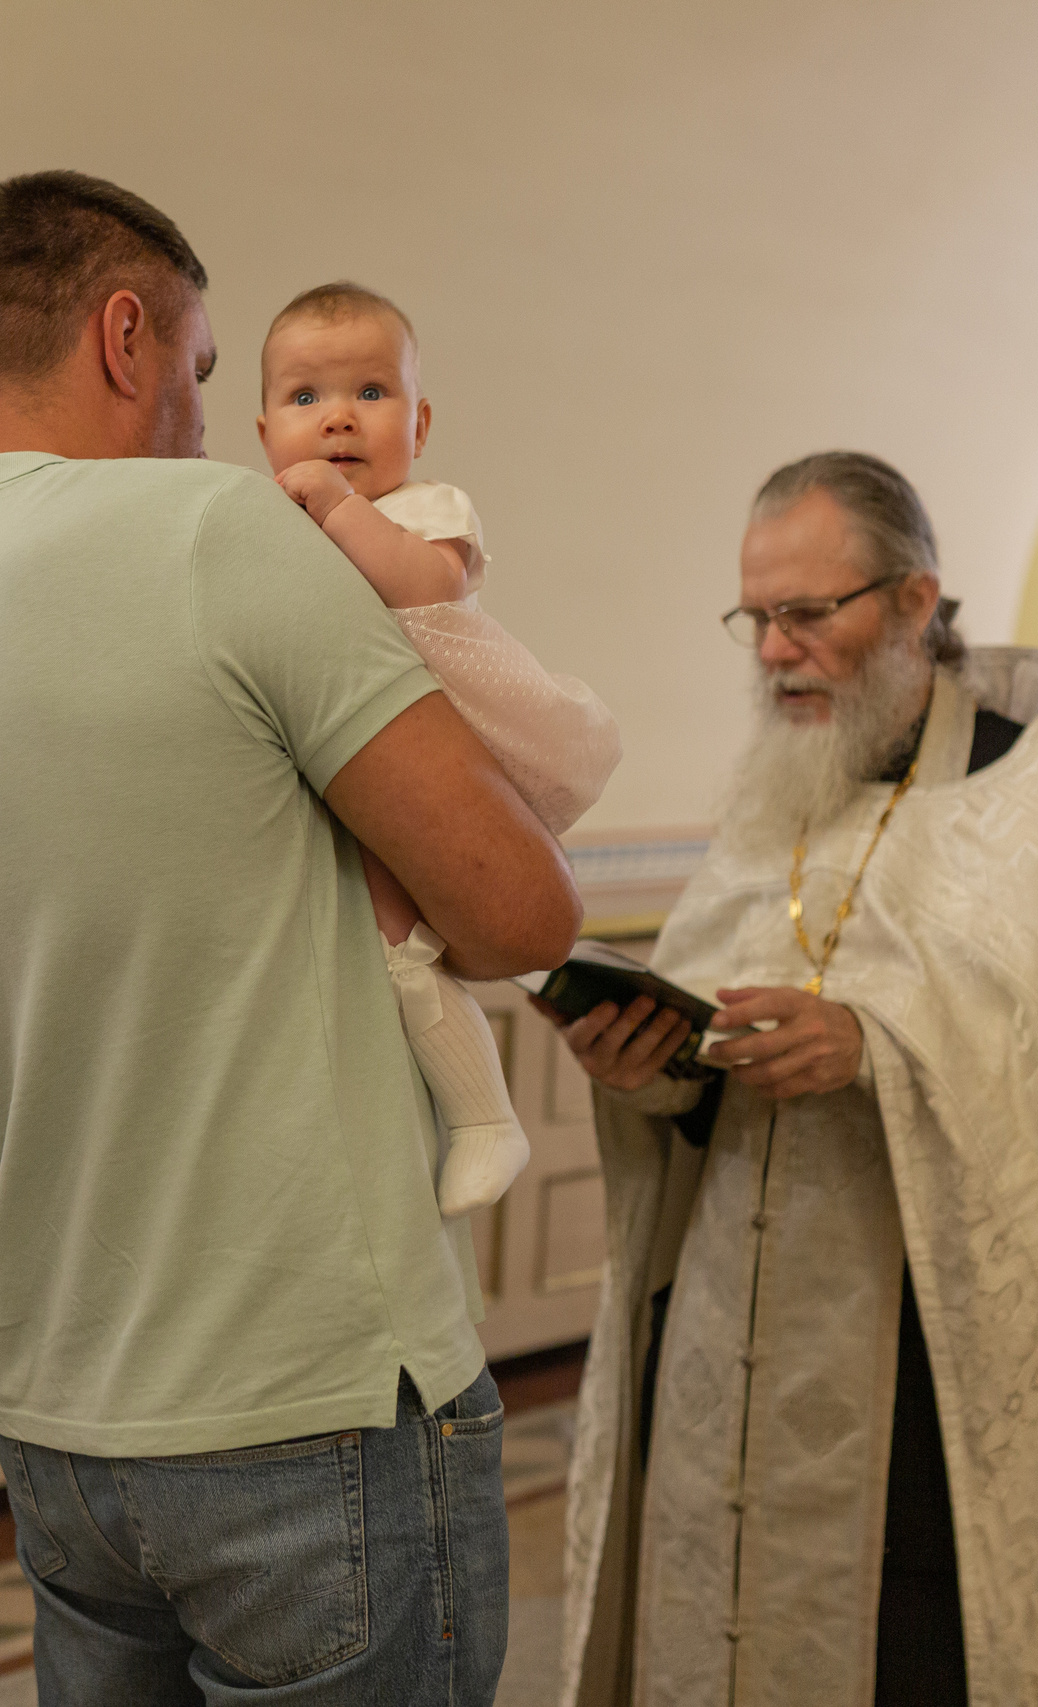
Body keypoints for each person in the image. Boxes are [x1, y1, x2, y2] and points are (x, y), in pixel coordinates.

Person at [0, 171, 581, 1705]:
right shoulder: (215, 535)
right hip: (302, 1394)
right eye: (208, 372)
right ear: (125, 336)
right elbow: (521, 909)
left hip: (58, 1411)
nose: (211, 421)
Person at [545, 453, 1038, 1706]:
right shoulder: (785, 783)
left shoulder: (1026, 791)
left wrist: (877, 1048)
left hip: (929, 1355)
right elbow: (718, 1020)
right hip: (734, 1310)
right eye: (755, 618)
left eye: (809, 614)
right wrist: (649, 1073)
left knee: (908, 1648)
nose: (773, 651)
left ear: (917, 601)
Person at [258, 280, 621, 1217]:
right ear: (263, 435)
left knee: (413, 932)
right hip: (350, 766)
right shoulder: (265, 532)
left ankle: (486, 1114)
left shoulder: (426, 508)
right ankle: (466, 1115)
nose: (338, 416)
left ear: (418, 422)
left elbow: (423, 586)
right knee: (388, 942)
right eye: (305, 398)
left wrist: (336, 506)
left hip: (462, 735)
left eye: (370, 393)